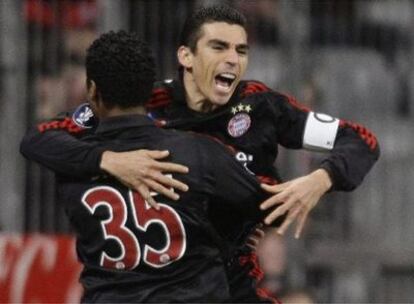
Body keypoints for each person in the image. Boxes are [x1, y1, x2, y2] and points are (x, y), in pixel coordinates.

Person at [20, 4, 380, 302]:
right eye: (218, 47)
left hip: (230, 283)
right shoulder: (146, 100)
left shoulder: (263, 108)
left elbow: (360, 140)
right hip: (163, 280)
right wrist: (109, 160)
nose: (232, 60)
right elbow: (39, 138)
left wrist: (320, 179)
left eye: (241, 51)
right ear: (186, 56)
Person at [22, 30, 283, 302]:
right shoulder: (199, 152)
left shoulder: (71, 162)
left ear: (92, 90)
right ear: (151, 91)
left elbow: (35, 138)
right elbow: (267, 207)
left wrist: (103, 159)